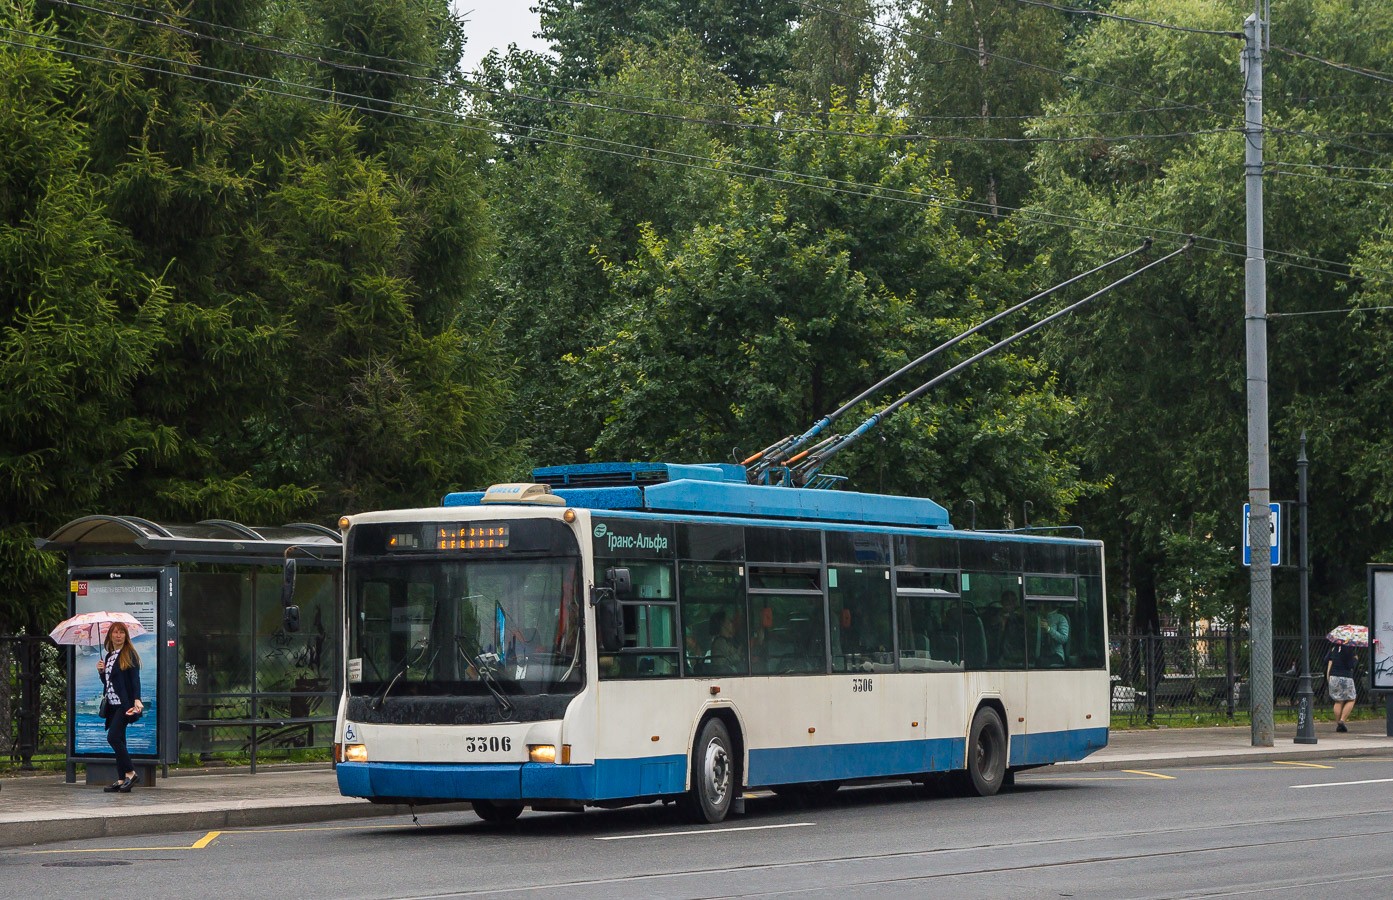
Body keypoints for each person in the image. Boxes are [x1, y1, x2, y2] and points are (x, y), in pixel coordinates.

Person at [96, 622, 143, 792]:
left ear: (126, 636)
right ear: (110, 636)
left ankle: (131, 773)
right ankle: (122, 778)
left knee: (113, 738)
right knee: (120, 740)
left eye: (122, 633)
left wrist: (137, 699)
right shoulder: (109, 656)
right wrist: (102, 672)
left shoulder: (129, 654)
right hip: (112, 705)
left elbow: (135, 679)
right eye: (115, 633)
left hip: (125, 705)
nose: (118, 636)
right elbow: (108, 683)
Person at [1323, 640, 1359, 732]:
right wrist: (1355, 659)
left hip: (1334, 676)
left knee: (1338, 701)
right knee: (1351, 699)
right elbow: (1351, 665)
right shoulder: (1349, 649)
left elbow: (1326, 660)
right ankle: (1342, 720)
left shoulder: (1334, 648)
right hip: (1346, 677)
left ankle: (1338, 724)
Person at [1035, 601, 1070, 667]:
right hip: (1040, 654)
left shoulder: (1060, 618)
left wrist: (1048, 629)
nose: (1039, 607)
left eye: (1041, 604)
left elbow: (1064, 638)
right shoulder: (1038, 618)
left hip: (1056, 655)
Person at [708, 609, 743, 673]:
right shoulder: (720, 642)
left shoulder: (725, 641)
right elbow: (727, 662)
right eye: (729, 621)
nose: (731, 624)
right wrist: (739, 654)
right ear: (723, 624)